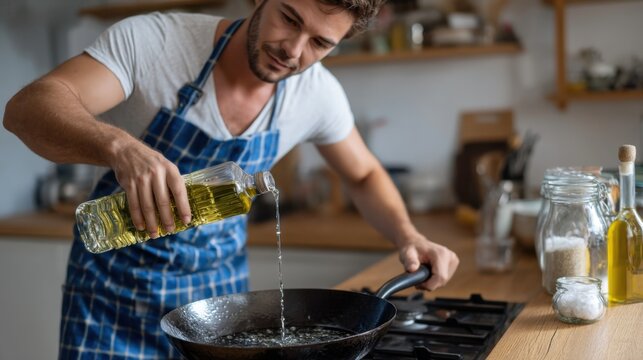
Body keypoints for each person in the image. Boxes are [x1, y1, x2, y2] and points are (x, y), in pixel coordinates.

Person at [3, 0, 460, 358]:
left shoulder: (315, 93)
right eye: (289, 18)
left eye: (320, 43)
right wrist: (119, 147)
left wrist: (408, 234)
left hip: (218, 318)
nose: (294, 51)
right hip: (110, 303)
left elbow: (362, 174)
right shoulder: (155, 42)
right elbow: (28, 109)